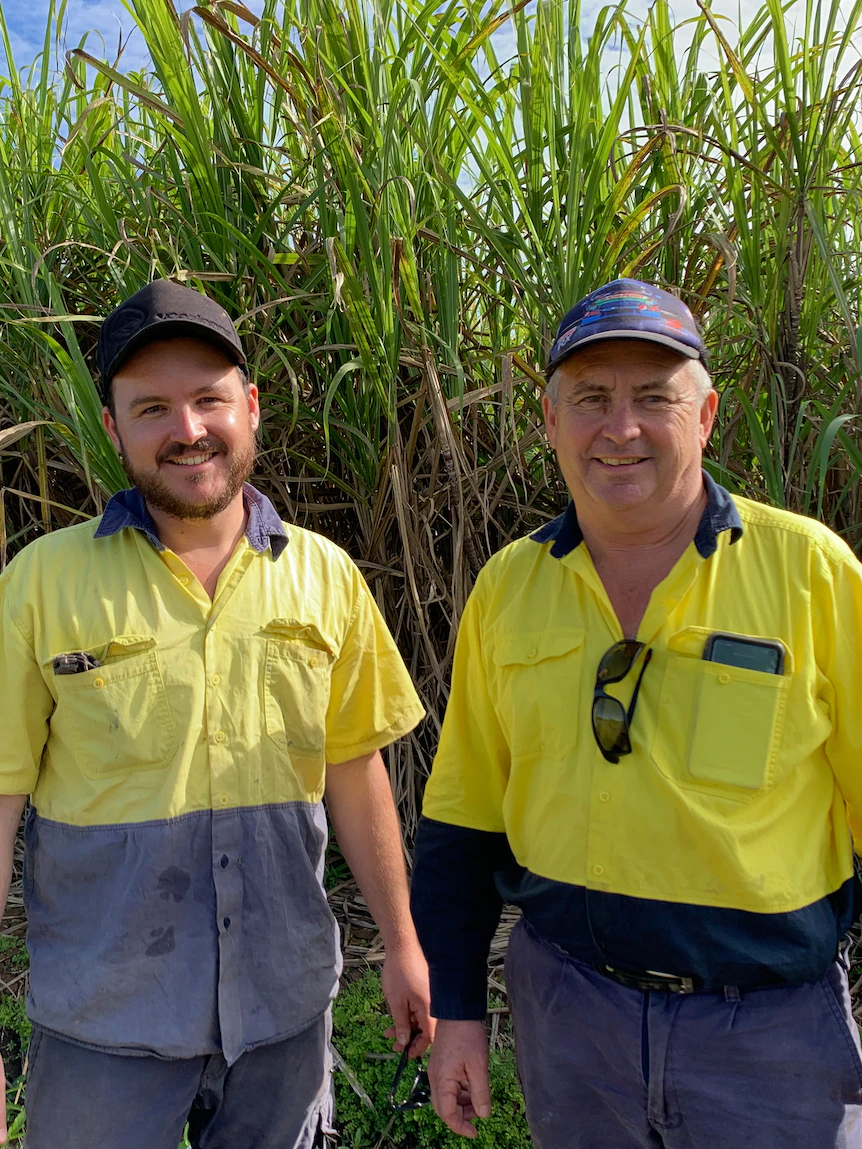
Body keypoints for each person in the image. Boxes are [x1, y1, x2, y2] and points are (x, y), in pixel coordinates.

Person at [410, 278, 862, 1149]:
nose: (620, 429)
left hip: (770, 1037)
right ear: (549, 420)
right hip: (569, 1017)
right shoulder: (508, 587)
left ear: (706, 415)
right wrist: (460, 1010)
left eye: (653, 398)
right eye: (590, 400)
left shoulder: (812, 574)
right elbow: (462, 820)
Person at [0, 279, 432, 1148]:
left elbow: (354, 769)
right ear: (115, 427)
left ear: (252, 408)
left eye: (209, 399)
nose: (188, 429)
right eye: (152, 407)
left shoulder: (327, 576)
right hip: (104, 1022)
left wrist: (403, 943)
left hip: (284, 1015)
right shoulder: (38, 586)